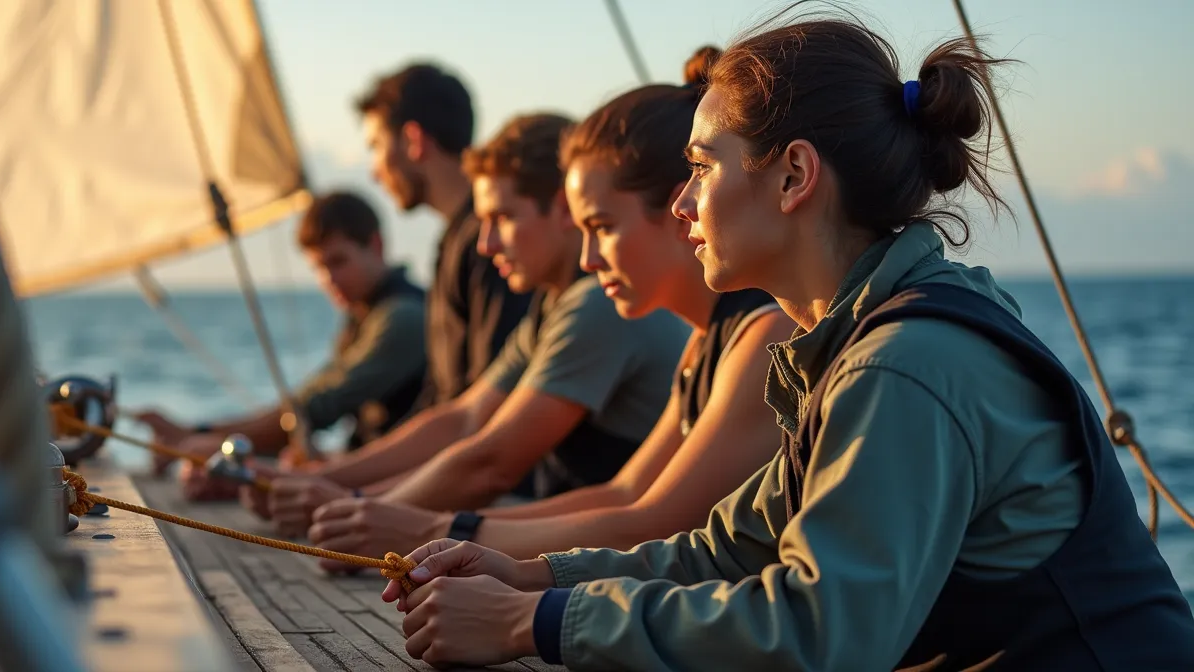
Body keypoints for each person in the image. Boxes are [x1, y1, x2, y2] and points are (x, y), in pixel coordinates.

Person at [381, 10, 1194, 671]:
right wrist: (530, 577)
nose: (680, 206)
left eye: (701, 168)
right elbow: (728, 551)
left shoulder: (907, 364)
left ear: (794, 176)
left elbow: (817, 633)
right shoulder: (852, 346)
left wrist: (537, 624)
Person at [305, 47, 794, 568]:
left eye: (601, 228)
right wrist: (437, 530)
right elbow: (624, 494)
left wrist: (431, 530)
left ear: (678, 212)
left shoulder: (762, 336)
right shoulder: (709, 341)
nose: (588, 257)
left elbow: (652, 521)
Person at [253, 112, 692, 537]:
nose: (487, 244)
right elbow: (463, 418)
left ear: (562, 208)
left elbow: (492, 465)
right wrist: (335, 487)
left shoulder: (597, 306)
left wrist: (356, 507)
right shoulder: (553, 305)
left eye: (502, 218)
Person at [137, 191, 428, 498]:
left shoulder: (403, 319)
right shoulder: (364, 315)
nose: (329, 279)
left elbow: (311, 410)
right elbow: (310, 398)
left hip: (405, 486)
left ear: (376, 246)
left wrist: (205, 439)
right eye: (318, 267)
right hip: (377, 475)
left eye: (338, 261)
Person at [357, 62, 533, 414]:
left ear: (414, 140)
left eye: (376, 145)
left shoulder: (486, 249)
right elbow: (442, 401)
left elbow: (481, 412)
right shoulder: (456, 242)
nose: (375, 172)